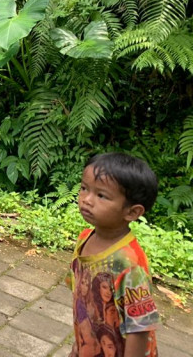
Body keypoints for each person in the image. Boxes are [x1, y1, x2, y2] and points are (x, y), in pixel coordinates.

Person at [68, 152, 160, 357]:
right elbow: (83, 302)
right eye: (84, 188)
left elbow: (140, 328)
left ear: (132, 212)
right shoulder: (85, 238)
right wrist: (79, 345)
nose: (86, 200)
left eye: (101, 195)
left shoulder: (129, 265)